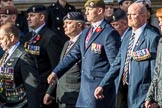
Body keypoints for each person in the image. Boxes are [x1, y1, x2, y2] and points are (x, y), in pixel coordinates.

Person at [47, 0, 121, 107]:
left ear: (99, 10)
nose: (86, 12)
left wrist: (103, 85)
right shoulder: (86, 32)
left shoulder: (109, 33)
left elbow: (115, 64)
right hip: (84, 92)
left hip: (99, 91)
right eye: (86, 10)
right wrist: (56, 72)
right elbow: (73, 55)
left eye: (89, 10)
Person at [94, 2, 160, 108]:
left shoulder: (152, 37)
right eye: (128, 14)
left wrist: (154, 97)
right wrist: (102, 85)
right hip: (124, 91)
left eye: (133, 14)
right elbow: (117, 63)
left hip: (142, 94)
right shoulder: (128, 35)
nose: (129, 17)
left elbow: (155, 71)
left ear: (143, 16)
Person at [22, 4, 63, 108]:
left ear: (41, 17)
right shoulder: (28, 36)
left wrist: (50, 92)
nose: (28, 18)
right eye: (28, 16)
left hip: (43, 89)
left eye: (32, 15)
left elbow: (56, 67)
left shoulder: (50, 37)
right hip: (29, 87)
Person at [44, 11, 85, 108]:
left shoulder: (84, 42)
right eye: (64, 23)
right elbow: (60, 67)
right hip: (63, 95)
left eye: (68, 23)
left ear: (79, 25)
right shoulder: (67, 44)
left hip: (76, 94)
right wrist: (50, 91)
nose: (64, 26)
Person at [0, 22, 40, 108]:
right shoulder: (6, 54)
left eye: (2, 39)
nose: (0, 42)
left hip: (20, 105)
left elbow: (32, 87)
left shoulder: (24, 56)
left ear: (11, 37)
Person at [144, 8, 162, 108]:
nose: (160, 24)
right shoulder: (161, 42)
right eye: (159, 21)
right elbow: (157, 71)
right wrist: (150, 97)